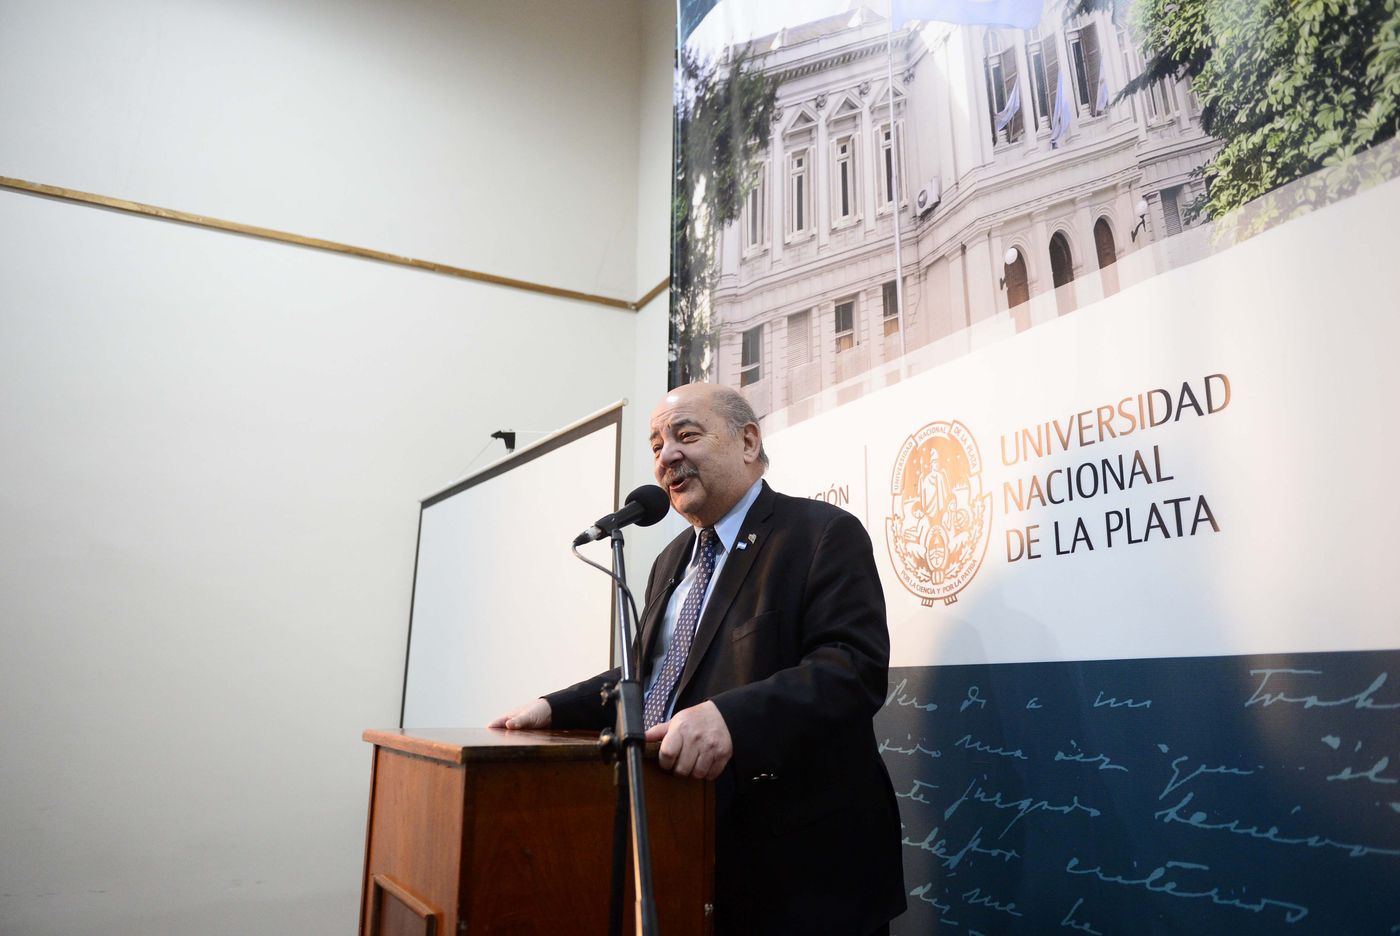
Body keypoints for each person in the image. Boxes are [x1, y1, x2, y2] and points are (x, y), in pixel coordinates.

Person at [490, 383, 905, 935]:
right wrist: (553, 707)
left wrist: (730, 717)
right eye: (656, 444)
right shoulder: (671, 559)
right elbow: (649, 675)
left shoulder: (821, 534)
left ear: (748, 441)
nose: (666, 456)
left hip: (800, 875)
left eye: (685, 435)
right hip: (688, 851)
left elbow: (850, 669)